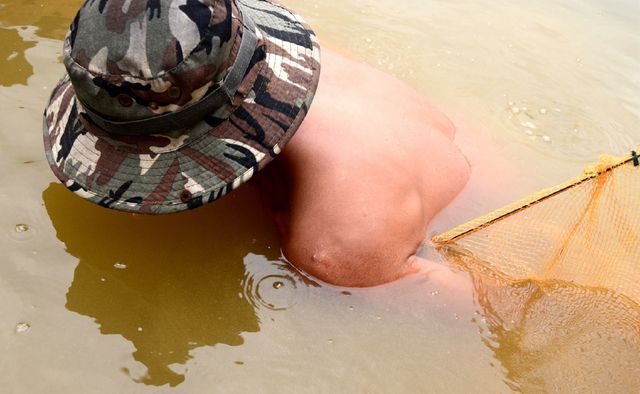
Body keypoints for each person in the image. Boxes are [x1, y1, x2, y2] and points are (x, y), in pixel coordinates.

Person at [43, 0, 469, 287]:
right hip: (462, 144)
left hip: (472, 221)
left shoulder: (333, 247)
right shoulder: (235, 40)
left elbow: (478, 303)